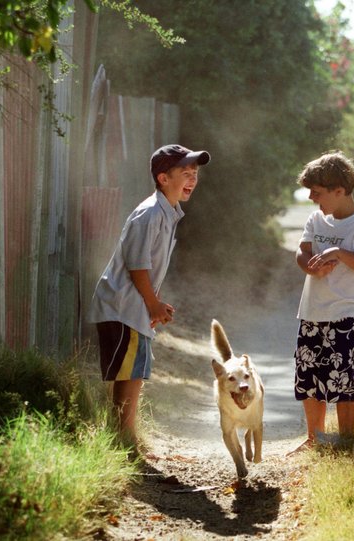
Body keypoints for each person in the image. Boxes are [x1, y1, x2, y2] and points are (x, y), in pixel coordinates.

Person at [88, 144, 211, 448]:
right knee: (126, 375)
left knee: (134, 374)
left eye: (194, 174)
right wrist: (152, 304)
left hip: (134, 307)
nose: (192, 179)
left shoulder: (167, 212)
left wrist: (153, 304)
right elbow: (137, 265)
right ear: (163, 177)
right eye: (185, 173)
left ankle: (127, 438)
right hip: (121, 306)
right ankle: (121, 441)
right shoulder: (150, 213)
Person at [292, 151, 354, 450]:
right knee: (309, 377)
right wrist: (309, 265)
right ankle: (314, 439)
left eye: (317, 193)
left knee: (343, 379)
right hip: (312, 310)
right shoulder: (317, 219)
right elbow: (302, 250)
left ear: (339, 191)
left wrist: (340, 254)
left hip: (349, 313)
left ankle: (346, 441)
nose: (311, 199)